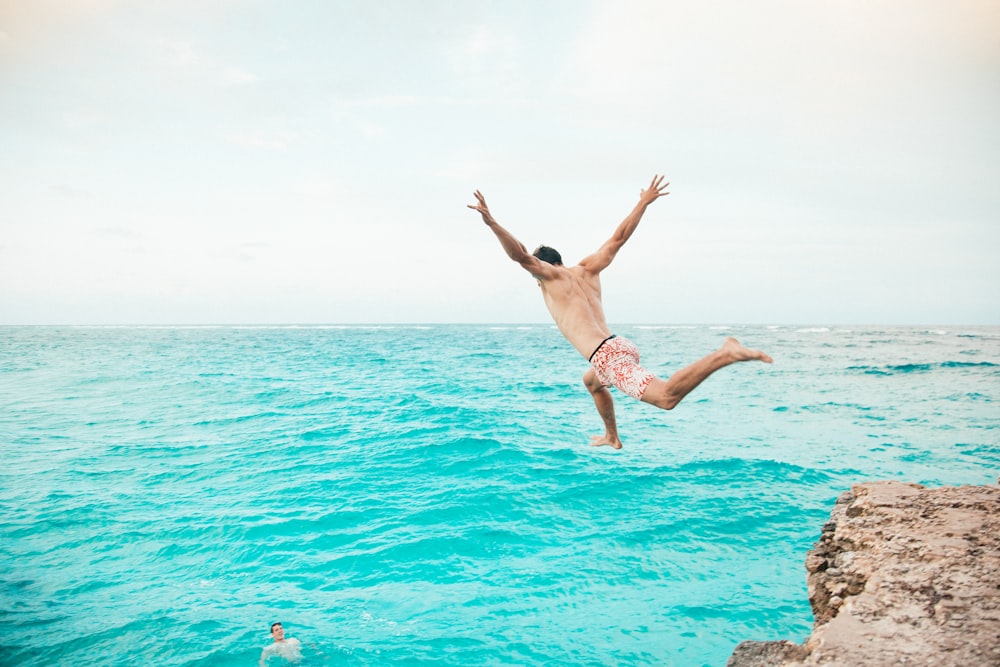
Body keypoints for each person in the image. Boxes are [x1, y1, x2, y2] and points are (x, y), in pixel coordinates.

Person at [468, 174, 773, 449]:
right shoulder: (587, 269)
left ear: (544, 269)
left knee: (667, 397)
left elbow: (519, 255)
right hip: (618, 345)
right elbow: (619, 238)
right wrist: (643, 202)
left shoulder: (549, 278)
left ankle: (725, 354)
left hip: (609, 357)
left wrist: (492, 223)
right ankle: (612, 435)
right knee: (591, 382)